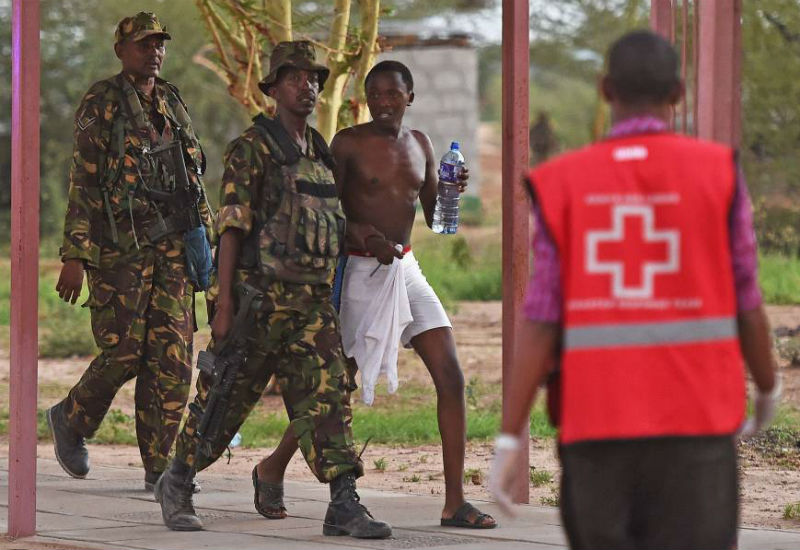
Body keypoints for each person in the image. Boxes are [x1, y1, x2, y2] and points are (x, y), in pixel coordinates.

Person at [488, 30, 780, 549]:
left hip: (596, 433)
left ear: (605, 89)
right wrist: (765, 386)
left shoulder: (564, 184)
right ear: (678, 94)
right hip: (698, 432)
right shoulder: (717, 175)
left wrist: (510, 435)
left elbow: (540, 320)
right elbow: (747, 301)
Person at [155, 40, 392, 540]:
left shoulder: (319, 150)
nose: (306, 87)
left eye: (313, 79)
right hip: (257, 302)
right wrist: (222, 305)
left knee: (329, 397)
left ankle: (344, 503)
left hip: (309, 305)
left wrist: (365, 237)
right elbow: (233, 228)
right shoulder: (253, 148)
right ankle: (177, 480)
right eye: (295, 78)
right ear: (274, 87)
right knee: (223, 399)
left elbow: (325, 223)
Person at [250, 60, 497, 529]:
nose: (385, 102)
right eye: (376, 95)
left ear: (410, 97)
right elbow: (325, 212)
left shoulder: (420, 144)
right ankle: (272, 467)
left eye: (393, 94)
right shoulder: (349, 143)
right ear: (367, 100)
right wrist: (364, 236)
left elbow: (433, 215)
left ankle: (454, 503)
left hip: (404, 267)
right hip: (359, 271)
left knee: (452, 376)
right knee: (334, 386)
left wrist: (451, 193)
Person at [48, 12, 213, 493]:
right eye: (144, 44)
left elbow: (193, 178)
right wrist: (75, 254)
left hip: (175, 249)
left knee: (173, 358)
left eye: (159, 44)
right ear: (121, 51)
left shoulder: (172, 100)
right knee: (123, 352)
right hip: (121, 249)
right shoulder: (102, 102)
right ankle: (71, 418)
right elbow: (84, 180)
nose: (154, 52)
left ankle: (159, 467)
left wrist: (209, 243)